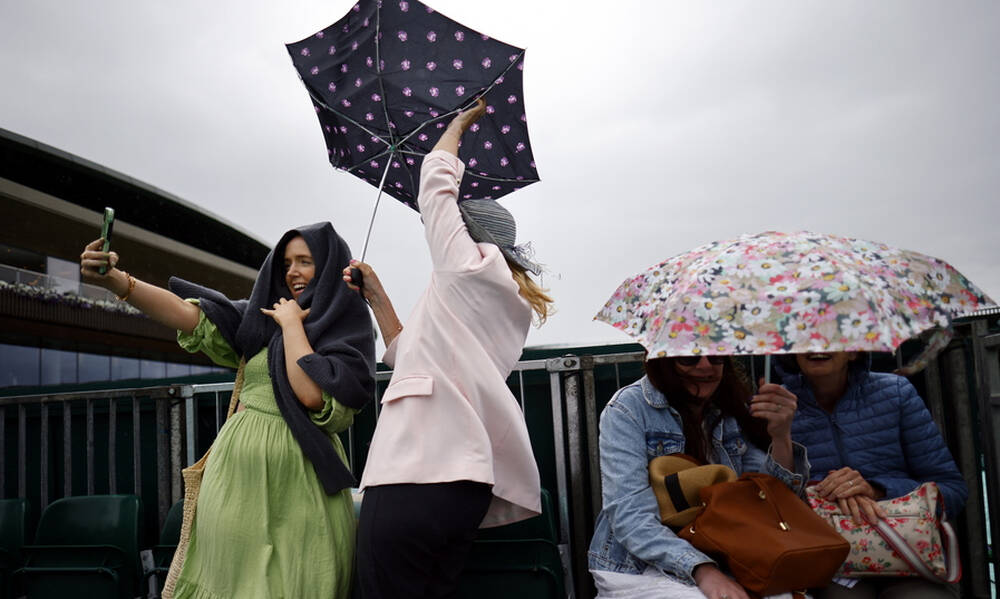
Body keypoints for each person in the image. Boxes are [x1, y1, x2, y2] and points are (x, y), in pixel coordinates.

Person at [80, 222, 375, 599]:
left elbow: (311, 396)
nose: (292, 272)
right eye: (286, 263)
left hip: (302, 488)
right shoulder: (260, 320)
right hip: (236, 486)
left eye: (305, 261)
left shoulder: (344, 332)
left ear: (330, 266)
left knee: (294, 583)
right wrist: (117, 281)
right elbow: (186, 314)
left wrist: (291, 327)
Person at [343, 98, 554, 599]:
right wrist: (376, 295)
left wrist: (456, 126)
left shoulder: (465, 268)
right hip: (463, 484)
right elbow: (409, 356)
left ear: (466, 234)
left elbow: (434, 187)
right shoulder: (501, 301)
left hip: (416, 470)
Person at [587, 355, 810, 599]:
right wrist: (702, 569)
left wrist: (781, 437)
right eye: (689, 358)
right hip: (639, 566)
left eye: (715, 357)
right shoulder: (628, 408)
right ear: (663, 359)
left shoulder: (734, 405)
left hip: (728, 556)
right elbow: (629, 514)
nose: (705, 366)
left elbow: (767, 500)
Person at [783, 352, 967, 599]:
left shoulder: (896, 393)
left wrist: (878, 490)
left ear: (853, 350)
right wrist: (822, 497)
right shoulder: (775, 406)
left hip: (906, 554)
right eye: (805, 336)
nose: (816, 345)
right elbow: (766, 503)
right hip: (825, 560)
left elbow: (953, 490)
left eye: (831, 335)